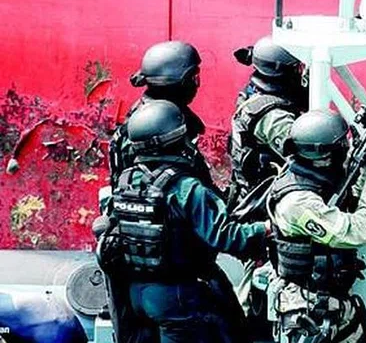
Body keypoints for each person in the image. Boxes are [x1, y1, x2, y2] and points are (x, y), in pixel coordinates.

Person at [98, 100, 270, 343]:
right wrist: (264, 229)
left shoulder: (126, 180)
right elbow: (224, 236)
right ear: (177, 139)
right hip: (177, 296)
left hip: (134, 295)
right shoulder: (186, 188)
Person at [264, 109, 366, 343]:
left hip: (333, 302)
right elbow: (358, 230)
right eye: (342, 145)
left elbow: (348, 195)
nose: (346, 148)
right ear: (324, 153)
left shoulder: (316, 175)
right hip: (309, 309)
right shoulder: (298, 202)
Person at [229, 37, 309, 332]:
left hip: (260, 198)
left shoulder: (257, 94)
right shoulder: (270, 115)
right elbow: (304, 150)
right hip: (263, 210)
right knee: (261, 280)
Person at [108, 40, 207, 188]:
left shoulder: (166, 116)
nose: (196, 85)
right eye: (192, 79)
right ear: (177, 83)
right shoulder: (150, 127)